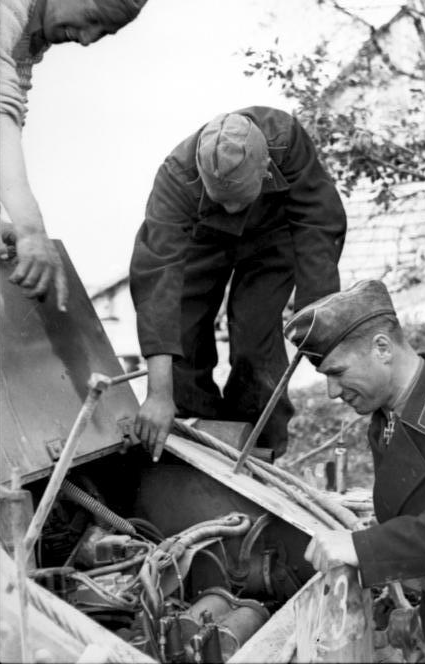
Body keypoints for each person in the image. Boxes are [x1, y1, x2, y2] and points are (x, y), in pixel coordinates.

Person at [284, 279, 425, 663]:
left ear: (383, 348)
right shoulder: (385, 426)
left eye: (337, 373)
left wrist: (363, 547)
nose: (331, 392)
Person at [130, 106, 347, 462]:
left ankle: (257, 451)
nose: (231, 210)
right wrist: (157, 393)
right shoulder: (175, 177)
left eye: (239, 199)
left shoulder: (285, 142)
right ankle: (196, 446)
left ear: (265, 170)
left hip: (272, 234)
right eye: (222, 200)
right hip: (203, 239)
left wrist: (322, 335)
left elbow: (318, 230)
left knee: (254, 337)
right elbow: (157, 277)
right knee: (182, 336)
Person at [0, 0, 152, 309]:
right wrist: (31, 229)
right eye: (92, 19)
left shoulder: (29, 38)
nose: (87, 39)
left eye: (103, 33)